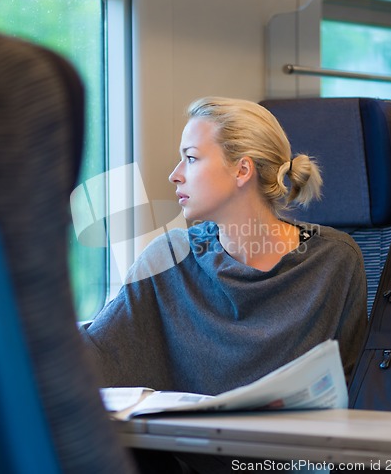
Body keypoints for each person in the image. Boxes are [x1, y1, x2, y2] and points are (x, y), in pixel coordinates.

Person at [80, 96, 367, 471]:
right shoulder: (170, 256)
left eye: (192, 158)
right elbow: (99, 353)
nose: (175, 174)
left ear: (242, 170)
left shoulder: (335, 261)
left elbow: (355, 388)